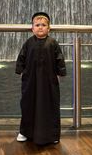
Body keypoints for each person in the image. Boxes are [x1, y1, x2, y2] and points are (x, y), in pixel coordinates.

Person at [15, 12, 66, 145]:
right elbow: (21, 57)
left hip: (49, 81)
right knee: (27, 104)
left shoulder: (53, 43)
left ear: (48, 28)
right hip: (30, 80)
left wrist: (60, 73)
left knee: (51, 105)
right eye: (37, 25)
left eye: (43, 25)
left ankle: (53, 134)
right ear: (32, 28)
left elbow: (59, 59)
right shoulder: (28, 43)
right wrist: (20, 71)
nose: (40, 27)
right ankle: (25, 131)